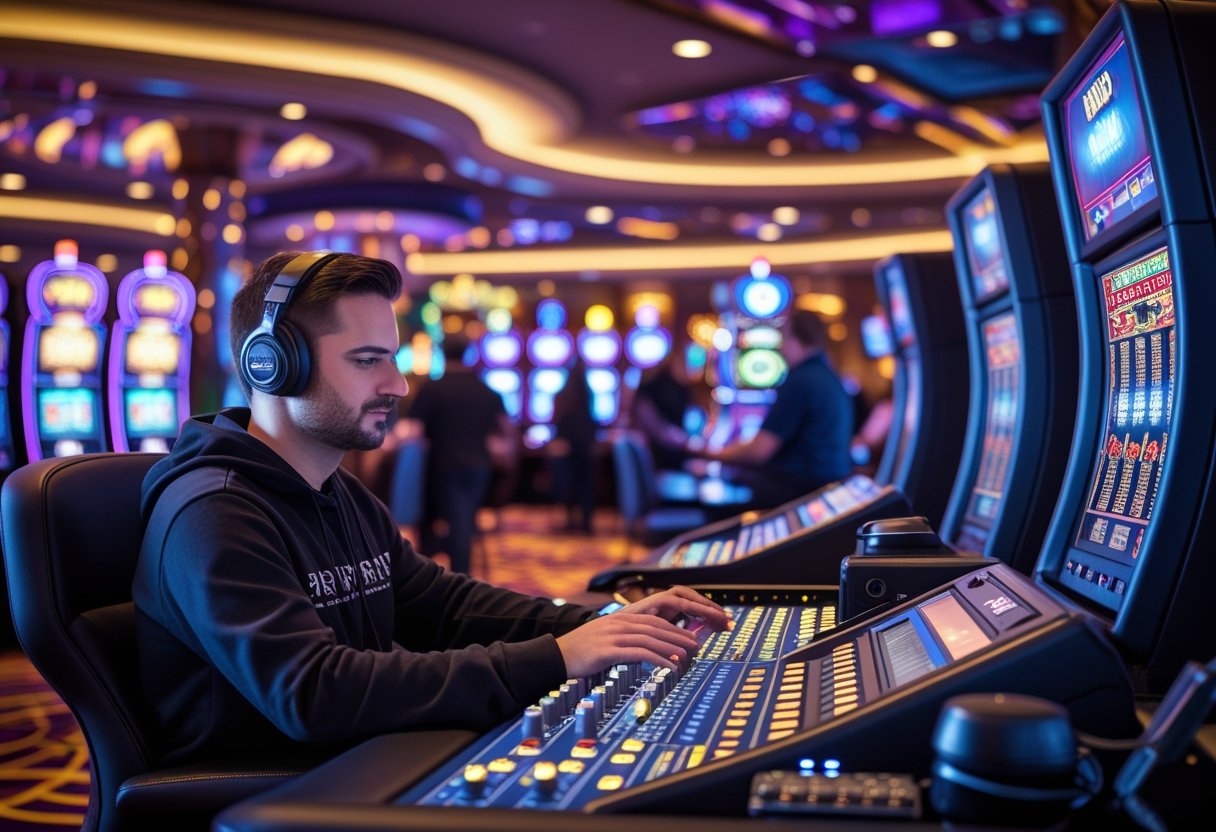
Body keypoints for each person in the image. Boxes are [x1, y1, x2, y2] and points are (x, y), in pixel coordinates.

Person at [132, 250, 729, 766]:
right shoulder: (214, 512)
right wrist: (552, 659)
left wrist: (597, 625)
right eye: (368, 360)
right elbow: (313, 693)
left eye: (393, 358)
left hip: (355, 761)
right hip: (267, 794)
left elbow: (445, 605)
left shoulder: (339, 494)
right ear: (274, 364)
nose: (397, 383)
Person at [688, 309, 853, 508]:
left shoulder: (801, 381)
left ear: (796, 339)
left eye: (783, 338)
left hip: (799, 492)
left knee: (715, 497)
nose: (780, 349)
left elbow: (759, 451)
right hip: (828, 489)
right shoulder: (831, 378)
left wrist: (711, 455)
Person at [406, 333, 512, 573]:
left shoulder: (432, 389)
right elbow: (506, 432)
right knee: (462, 521)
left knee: (453, 523)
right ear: (469, 355)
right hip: (480, 469)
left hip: (442, 467)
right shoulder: (486, 390)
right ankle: (450, 574)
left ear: (442, 354)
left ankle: (450, 576)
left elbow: (413, 432)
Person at [549, 362, 598, 533]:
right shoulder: (588, 394)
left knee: (569, 484)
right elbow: (593, 421)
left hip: (568, 446)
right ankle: (586, 522)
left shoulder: (563, 395)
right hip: (584, 446)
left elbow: (558, 422)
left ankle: (570, 521)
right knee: (585, 485)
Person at [631, 354, 694, 469]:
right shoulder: (650, 389)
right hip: (661, 464)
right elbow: (661, 432)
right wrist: (687, 442)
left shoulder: (677, 386)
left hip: (669, 461)